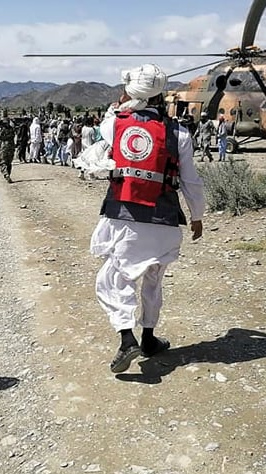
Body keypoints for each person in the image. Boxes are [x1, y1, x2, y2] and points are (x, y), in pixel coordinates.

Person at [90, 63, 205, 374]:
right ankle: (150, 339)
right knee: (153, 280)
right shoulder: (178, 132)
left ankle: (128, 339)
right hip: (165, 219)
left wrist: (121, 102)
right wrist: (197, 216)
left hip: (124, 217)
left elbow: (107, 121)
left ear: (131, 93)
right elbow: (191, 180)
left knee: (114, 279)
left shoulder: (115, 124)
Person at [0, 112, 15, 183]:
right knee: (9, 162)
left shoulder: (1, 127)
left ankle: (6, 175)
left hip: (3, 145)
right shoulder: (11, 125)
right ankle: (8, 174)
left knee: (3, 162)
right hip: (11, 145)